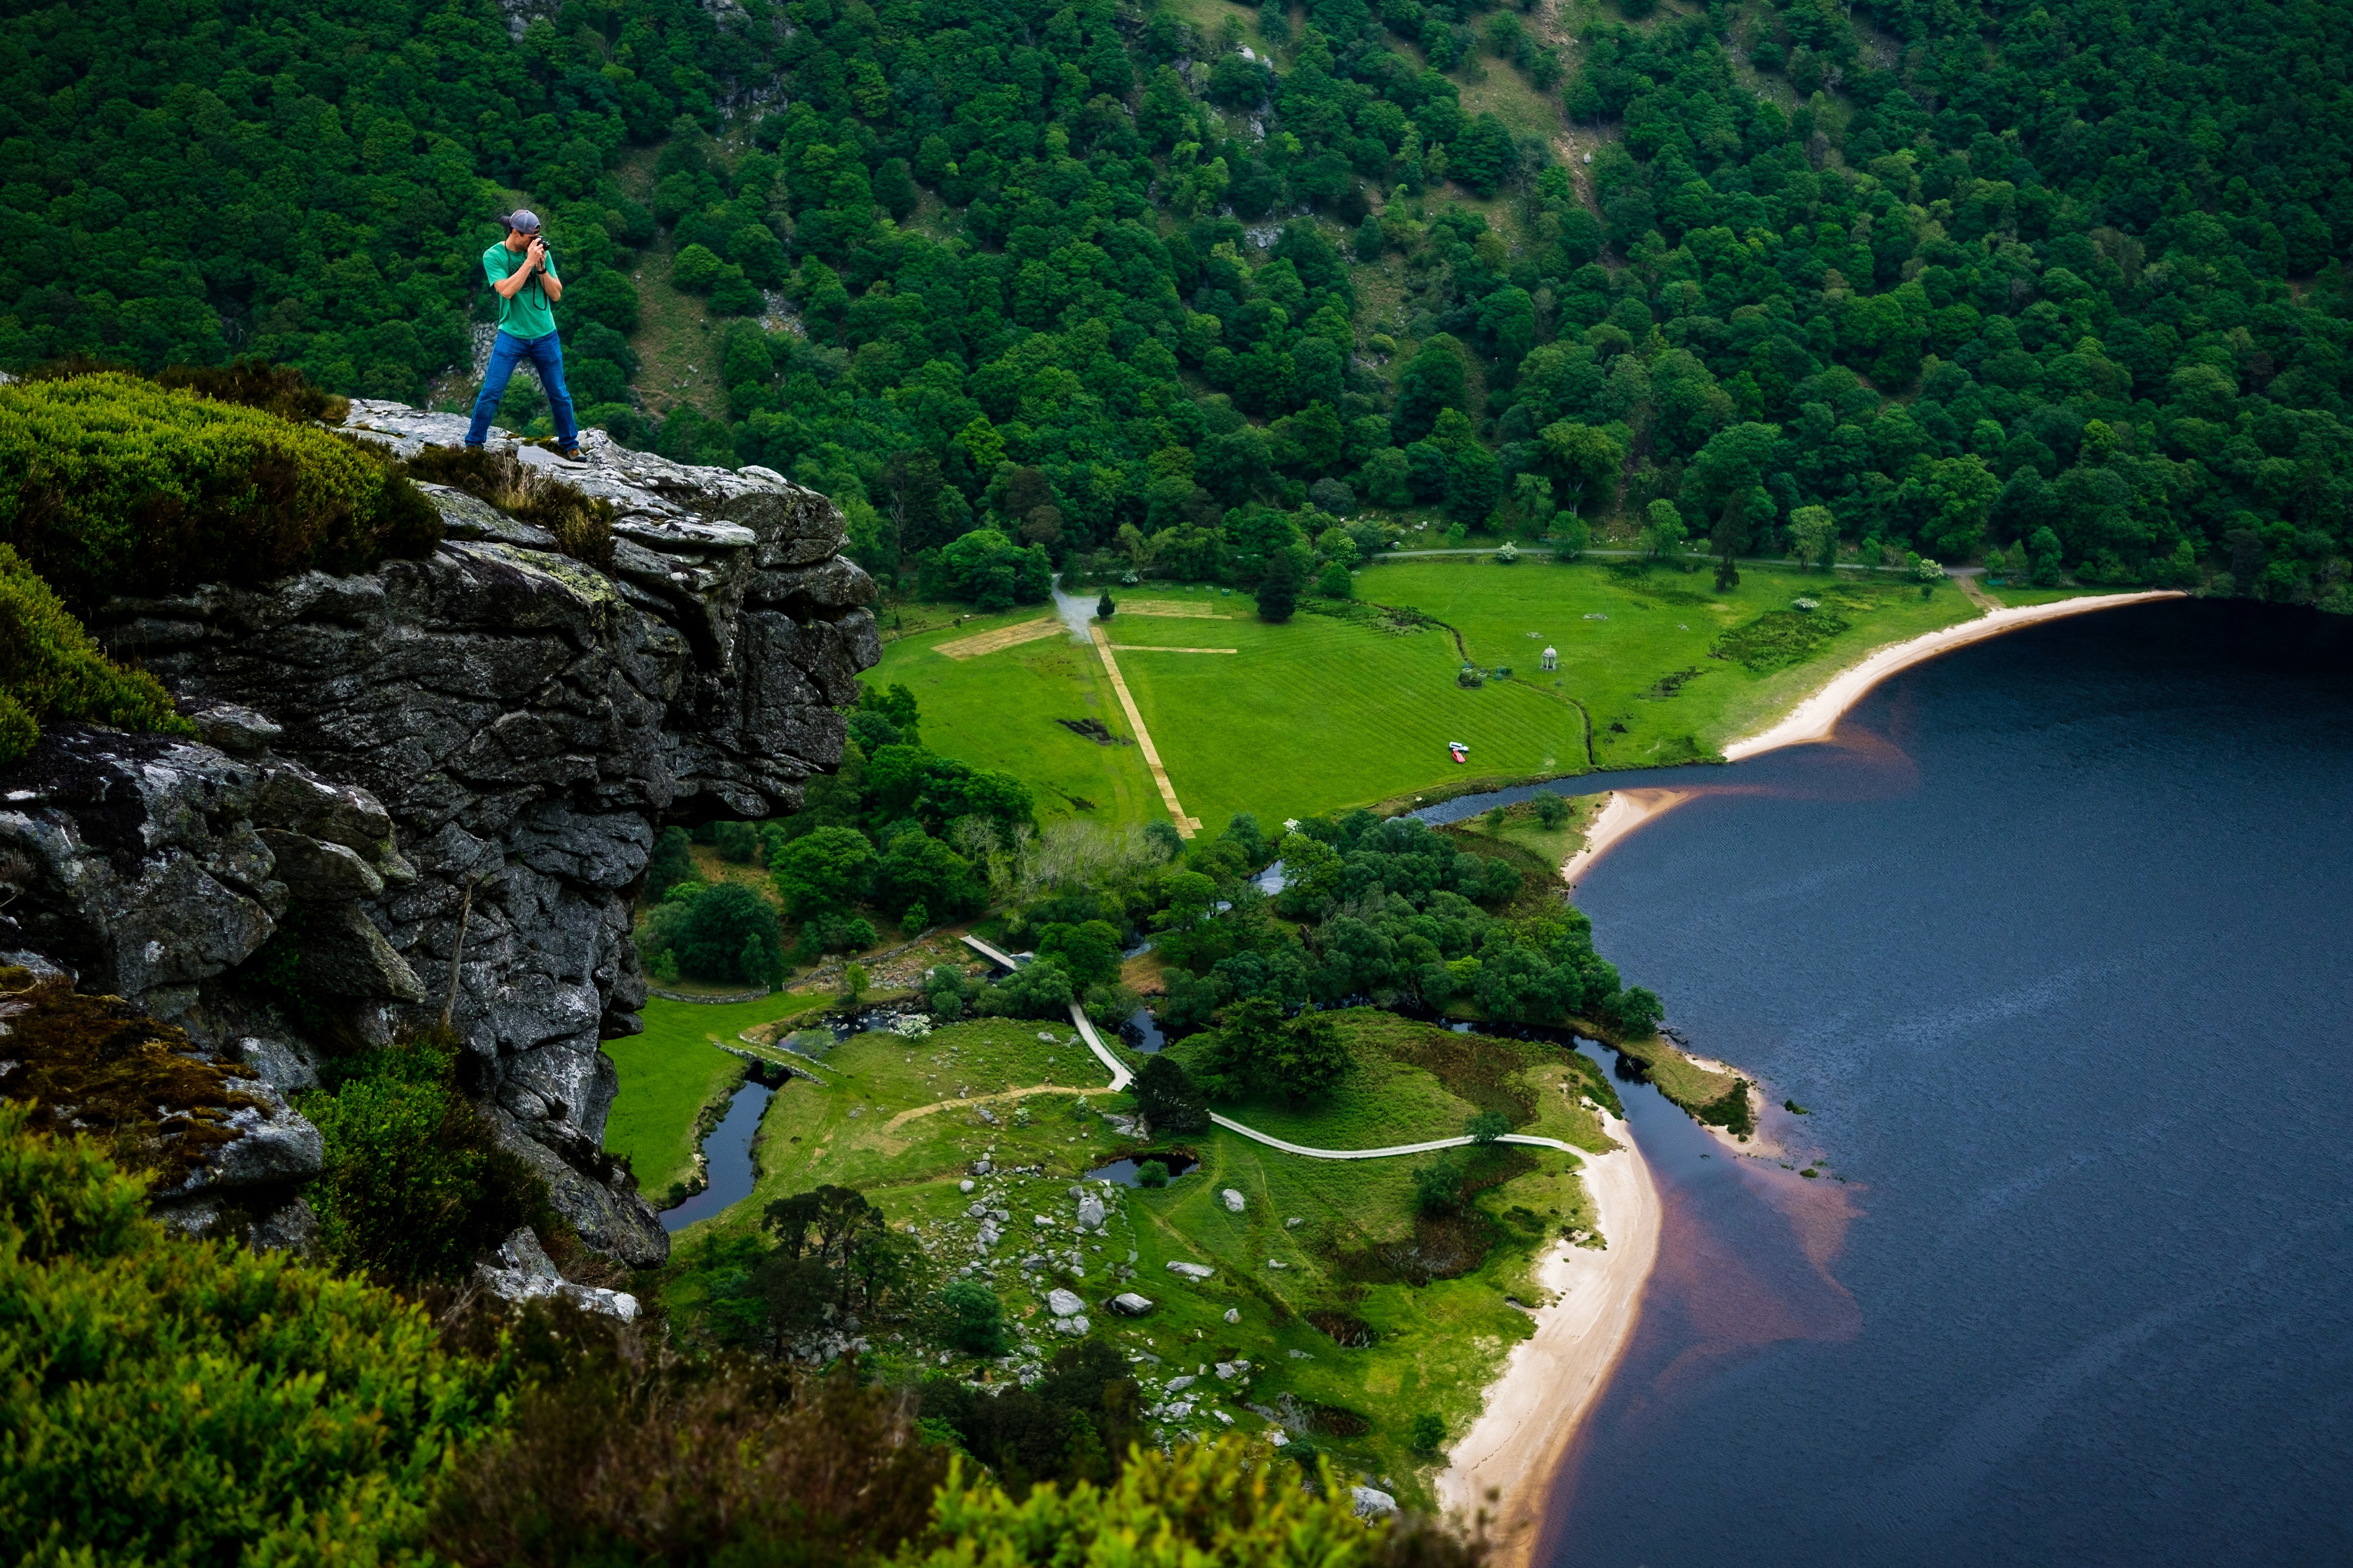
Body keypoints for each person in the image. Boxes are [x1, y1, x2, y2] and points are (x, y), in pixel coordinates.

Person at [465, 209, 583, 460]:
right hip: (512, 335)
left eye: (536, 238)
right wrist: (529, 262)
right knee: (491, 392)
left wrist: (541, 267)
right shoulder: (494, 255)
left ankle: (570, 444)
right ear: (515, 233)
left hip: (545, 334)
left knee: (559, 393)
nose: (534, 243)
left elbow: (556, 294)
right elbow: (506, 291)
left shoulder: (542, 253)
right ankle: (474, 445)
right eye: (529, 238)